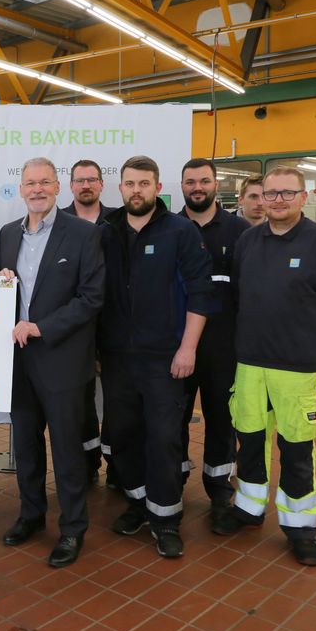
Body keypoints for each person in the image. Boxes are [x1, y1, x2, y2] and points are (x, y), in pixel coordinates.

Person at [213, 166, 316, 567]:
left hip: (298, 368)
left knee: (297, 449)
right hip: (249, 365)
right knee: (249, 442)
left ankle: (300, 528)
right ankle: (248, 508)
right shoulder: (248, 242)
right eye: (270, 193)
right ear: (260, 197)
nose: (277, 200)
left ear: (304, 196)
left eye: (286, 193)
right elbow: (240, 298)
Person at [0, 157, 104, 568]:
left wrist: (41, 326)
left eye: (44, 183)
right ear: (20, 189)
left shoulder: (81, 234)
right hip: (18, 361)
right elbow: (1, 287)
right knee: (25, 444)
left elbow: (91, 298)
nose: (37, 190)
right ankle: (31, 515)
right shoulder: (7, 234)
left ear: (58, 187)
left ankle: (73, 528)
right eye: (30, 183)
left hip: (62, 359)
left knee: (66, 448)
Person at [99, 155, 213, 559]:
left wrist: (188, 348)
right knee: (125, 435)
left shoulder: (180, 231)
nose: (136, 191)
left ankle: (166, 519)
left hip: (165, 358)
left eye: (144, 184)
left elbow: (201, 292)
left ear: (157, 186)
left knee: (164, 438)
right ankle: (138, 504)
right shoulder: (105, 230)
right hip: (115, 358)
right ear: (120, 188)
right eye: (129, 184)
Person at [178, 158, 250, 527]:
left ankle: (220, 490)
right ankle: (171, 485)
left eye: (204, 181)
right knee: (173, 420)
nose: (197, 188)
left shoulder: (241, 231)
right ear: (181, 186)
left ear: (215, 184)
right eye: (190, 182)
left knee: (223, 422)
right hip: (177, 349)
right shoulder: (168, 228)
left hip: (225, 348)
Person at [61, 158, 116, 485]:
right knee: (79, 402)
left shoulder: (118, 221)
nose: (86, 185)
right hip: (74, 327)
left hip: (114, 325)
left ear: (101, 184)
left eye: (92, 180)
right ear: (70, 186)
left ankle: (116, 462)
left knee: (115, 399)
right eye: (80, 180)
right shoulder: (58, 221)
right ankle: (87, 463)